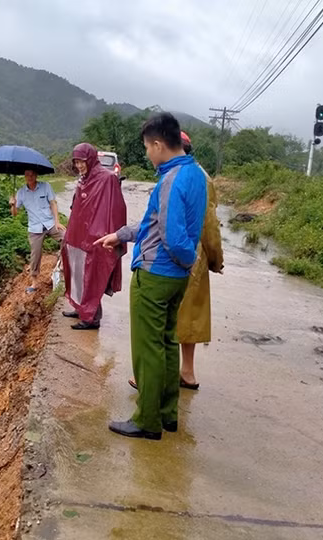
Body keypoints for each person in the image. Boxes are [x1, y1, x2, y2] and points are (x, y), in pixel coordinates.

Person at [95, 113, 207, 440]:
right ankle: (168, 414)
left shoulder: (171, 180)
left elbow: (172, 237)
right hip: (176, 278)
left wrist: (186, 260)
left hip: (156, 275)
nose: (147, 154)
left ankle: (147, 419)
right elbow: (153, 224)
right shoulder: (195, 173)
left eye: (147, 147)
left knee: (148, 349)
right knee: (168, 343)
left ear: (158, 144)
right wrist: (122, 234)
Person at [128, 131, 224, 392]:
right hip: (195, 256)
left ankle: (151, 375)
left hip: (177, 257)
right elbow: (210, 225)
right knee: (189, 315)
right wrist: (214, 259)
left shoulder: (180, 176)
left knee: (163, 317)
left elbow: (197, 224)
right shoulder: (200, 176)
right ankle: (186, 372)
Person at [61, 143, 127, 330]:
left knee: (92, 277)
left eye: (82, 161)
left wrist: (110, 235)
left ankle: (91, 318)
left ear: (90, 159)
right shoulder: (83, 179)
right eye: (76, 162)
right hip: (77, 235)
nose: (79, 165)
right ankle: (80, 308)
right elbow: (77, 208)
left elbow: (116, 209)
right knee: (77, 274)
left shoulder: (107, 179)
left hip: (94, 238)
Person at [10, 169, 66, 293]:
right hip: (35, 228)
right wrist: (13, 205)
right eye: (27, 175)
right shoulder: (21, 192)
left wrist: (57, 222)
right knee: (35, 254)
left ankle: (62, 264)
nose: (30, 177)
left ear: (36, 175)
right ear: (24, 176)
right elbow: (14, 214)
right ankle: (34, 282)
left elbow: (53, 204)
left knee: (66, 237)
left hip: (50, 223)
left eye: (32, 175)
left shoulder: (46, 186)